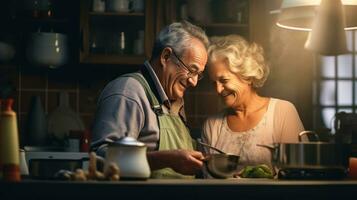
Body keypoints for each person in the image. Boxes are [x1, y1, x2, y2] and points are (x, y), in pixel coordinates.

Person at [91, 21, 209, 179]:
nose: (194, 82)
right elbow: (101, 160)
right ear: (166, 57)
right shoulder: (128, 92)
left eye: (198, 75)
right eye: (191, 70)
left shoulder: (172, 98)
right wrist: (167, 159)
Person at [201, 35, 304, 175]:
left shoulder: (283, 112)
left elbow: (298, 175)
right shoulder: (212, 125)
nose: (218, 90)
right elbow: (207, 181)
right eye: (214, 83)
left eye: (223, 80)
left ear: (247, 76)